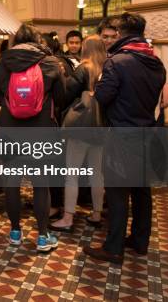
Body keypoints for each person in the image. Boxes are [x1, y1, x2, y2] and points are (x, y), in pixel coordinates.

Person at [83, 12, 166, 264]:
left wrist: (97, 89)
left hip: (121, 134)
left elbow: (103, 97)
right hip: (146, 133)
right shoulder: (156, 62)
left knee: (117, 192)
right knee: (142, 191)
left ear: (121, 33)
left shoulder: (117, 62)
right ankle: (140, 241)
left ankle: (114, 247)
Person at [0, 24, 65, 252]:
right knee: (41, 185)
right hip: (41, 132)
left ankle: (15, 232)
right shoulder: (51, 63)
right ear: (37, 40)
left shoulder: (3, 63)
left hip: (9, 131)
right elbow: (62, 98)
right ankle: (43, 237)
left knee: (12, 184)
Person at [49, 35, 106, 232]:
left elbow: (65, 93)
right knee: (97, 172)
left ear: (86, 48)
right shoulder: (107, 68)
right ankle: (97, 214)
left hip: (81, 127)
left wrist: (63, 75)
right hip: (101, 127)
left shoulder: (84, 68)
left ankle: (68, 217)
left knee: (71, 173)